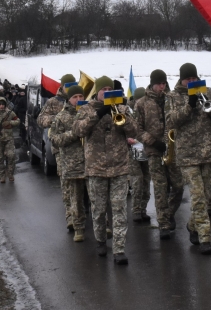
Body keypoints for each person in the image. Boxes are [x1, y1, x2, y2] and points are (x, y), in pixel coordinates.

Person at [73, 76, 137, 265]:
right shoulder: (86, 109)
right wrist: (97, 114)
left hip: (119, 167)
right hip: (96, 168)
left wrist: (122, 116)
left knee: (119, 209)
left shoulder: (122, 109)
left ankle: (119, 249)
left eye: (110, 89)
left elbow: (134, 130)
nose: (107, 92)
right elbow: (78, 131)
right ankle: (101, 240)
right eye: (104, 89)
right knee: (99, 210)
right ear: (97, 92)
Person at [166, 63, 211, 255]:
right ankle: (205, 237)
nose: (192, 82)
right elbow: (171, 121)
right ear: (181, 80)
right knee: (198, 196)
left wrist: (209, 106)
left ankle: (193, 226)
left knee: (206, 195)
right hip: (187, 155)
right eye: (188, 79)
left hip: (208, 152)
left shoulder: (208, 92)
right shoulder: (173, 96)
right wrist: (189, 105)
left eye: (194, 78)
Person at [134, 69, 184, 240]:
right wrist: (153, 141)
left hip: (173, 149)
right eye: (158, 84)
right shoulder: (141, 103)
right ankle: (163, 224)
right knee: (160, 188)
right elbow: (137, 129)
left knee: (178, 186)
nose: (162, 87)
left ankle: (169, 213)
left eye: (164, 83)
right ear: (152, 84)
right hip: (154, 151)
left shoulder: (172, 98)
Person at [49, 85, 88, 242]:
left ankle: (102, 226)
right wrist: (74, 134)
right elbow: (54, 139)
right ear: (69, 99)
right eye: (75, 97)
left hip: (91, 163)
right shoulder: (61, 117)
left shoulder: (89, 113)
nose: (78, 100)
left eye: (81, 96)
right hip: (72, 164)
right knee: (76, 199)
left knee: (97, 197)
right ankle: (78, 228)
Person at [39, 74, 77, 228]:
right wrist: (57, 118)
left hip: (80, 148)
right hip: (61, 148)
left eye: (73, 84)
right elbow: (41, 119)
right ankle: (70, 216)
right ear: (62, 86)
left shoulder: (79, 98)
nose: (71, 87)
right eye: (68, 85)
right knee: (66, 183)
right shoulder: (53, 102)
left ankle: (81, 213)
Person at [127, 87, 152, 223]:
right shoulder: (127, 112)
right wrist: (128, 139)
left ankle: (143, 209)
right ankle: (136, 210)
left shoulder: (149, 110)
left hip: (146, 148)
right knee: (137, 180)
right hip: (132, 151)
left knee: (146, 179)